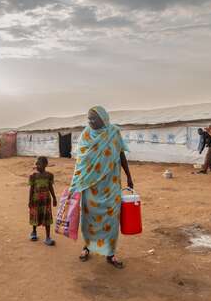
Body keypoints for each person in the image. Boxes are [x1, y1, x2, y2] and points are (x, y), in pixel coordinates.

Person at [70, 106, 134, 269]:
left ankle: (110, 253)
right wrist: (76, 183)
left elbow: (121, 154)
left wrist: (129, 176)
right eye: (89, 119)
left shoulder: (113, 133)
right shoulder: (85, 134)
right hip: (90, 186)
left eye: (94, 119)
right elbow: (81, 161)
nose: (90, 122)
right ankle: (87, 246)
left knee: (111, 220)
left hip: (110, 185)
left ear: (104, 119)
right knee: (89, 219)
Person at [29, 156, 57, 246]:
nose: (37, 165)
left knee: (47, 217)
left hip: (46, 201)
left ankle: (48, 237)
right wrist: (29, 200)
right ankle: (34, 232)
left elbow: (50, 187)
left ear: (45, 165)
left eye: (39, 164)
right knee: (35, 216)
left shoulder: (49, 175)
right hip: (36, 200)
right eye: (36, 164)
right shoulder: (33, 176)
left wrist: (54, 198)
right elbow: (31, 189)